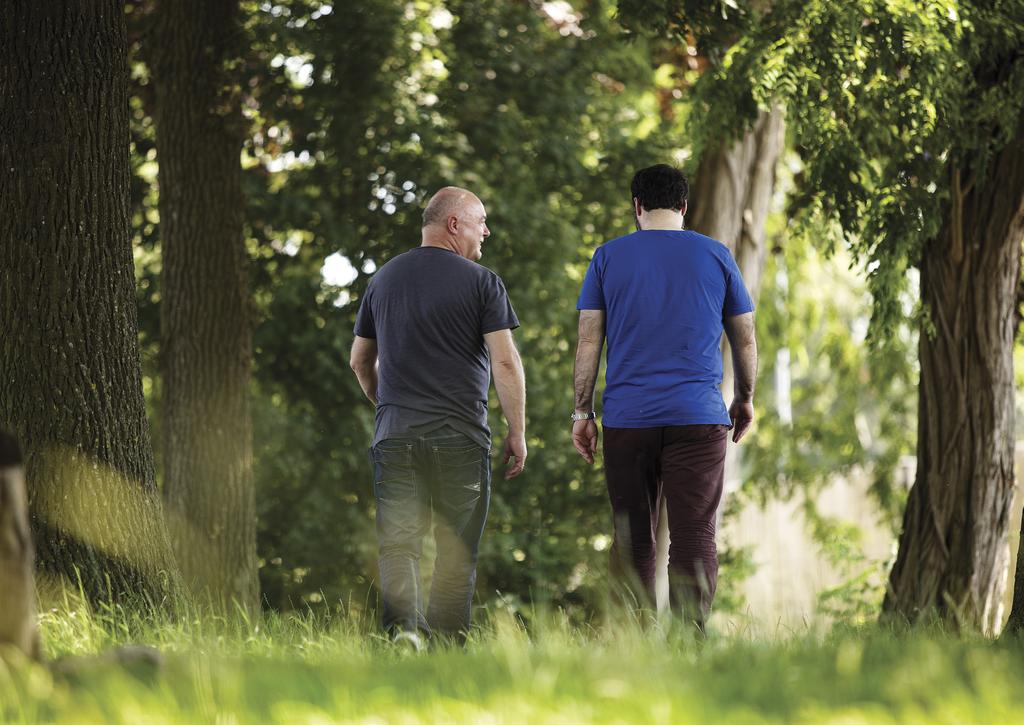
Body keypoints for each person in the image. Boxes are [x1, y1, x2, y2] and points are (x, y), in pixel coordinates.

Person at [571, 164, 757, 629]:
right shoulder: (716, 255)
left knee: (632, 539)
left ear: (636, 207)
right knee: (694, 535)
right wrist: (745, 397)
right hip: (698, 419)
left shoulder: (608, 257)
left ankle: (633, 645)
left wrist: (582, 411)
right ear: (684, 207)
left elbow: (589, 339)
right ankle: (687, 644)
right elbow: (746, 338)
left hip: (628, 420)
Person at [349, 186, 527, 647]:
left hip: (396, 437)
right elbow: (505, 363)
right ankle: (447, 651)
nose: (486, 230)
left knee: (400, 545)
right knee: (456, 550)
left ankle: (405, 638)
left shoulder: (383, 280)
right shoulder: (481, 281)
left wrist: (387, 408)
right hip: (460, 441)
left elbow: (359, 362)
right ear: (453, 224)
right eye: (480, 221)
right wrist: (517, 431)